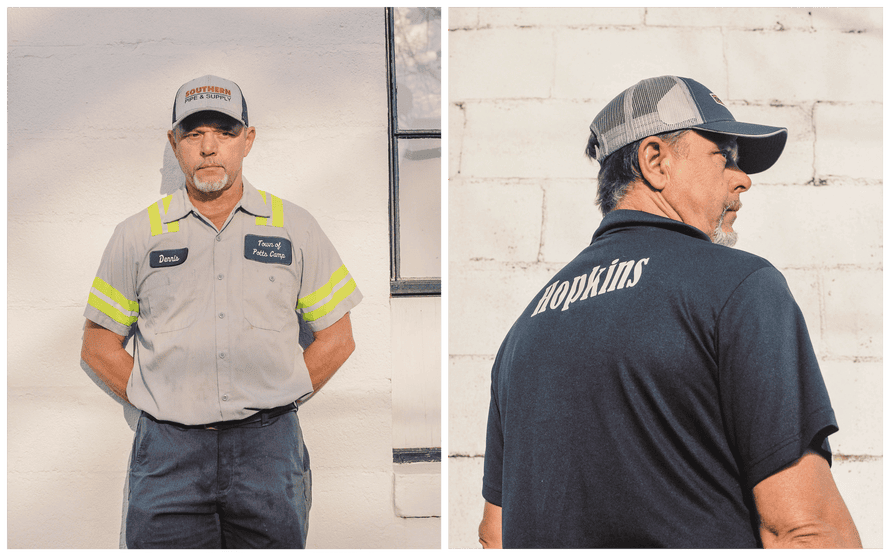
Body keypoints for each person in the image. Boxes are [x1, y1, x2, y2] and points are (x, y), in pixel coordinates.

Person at [478, 75, 861, 550]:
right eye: (726, 156)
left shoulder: (522, 334)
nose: (743, 179)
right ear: (656, 161)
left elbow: (495, 534)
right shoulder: (740, 288)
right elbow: (809, 532)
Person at [81, 75, 362, 550]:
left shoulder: (294, 226)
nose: (209, 148)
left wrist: (280, 393)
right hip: (168, 453)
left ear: (247, 140)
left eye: (225, 132)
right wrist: (161, 397)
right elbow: (98, 344)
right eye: (193, 133)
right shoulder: (137, 235)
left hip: (268, 451)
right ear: (174, 144)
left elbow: (338, 338)